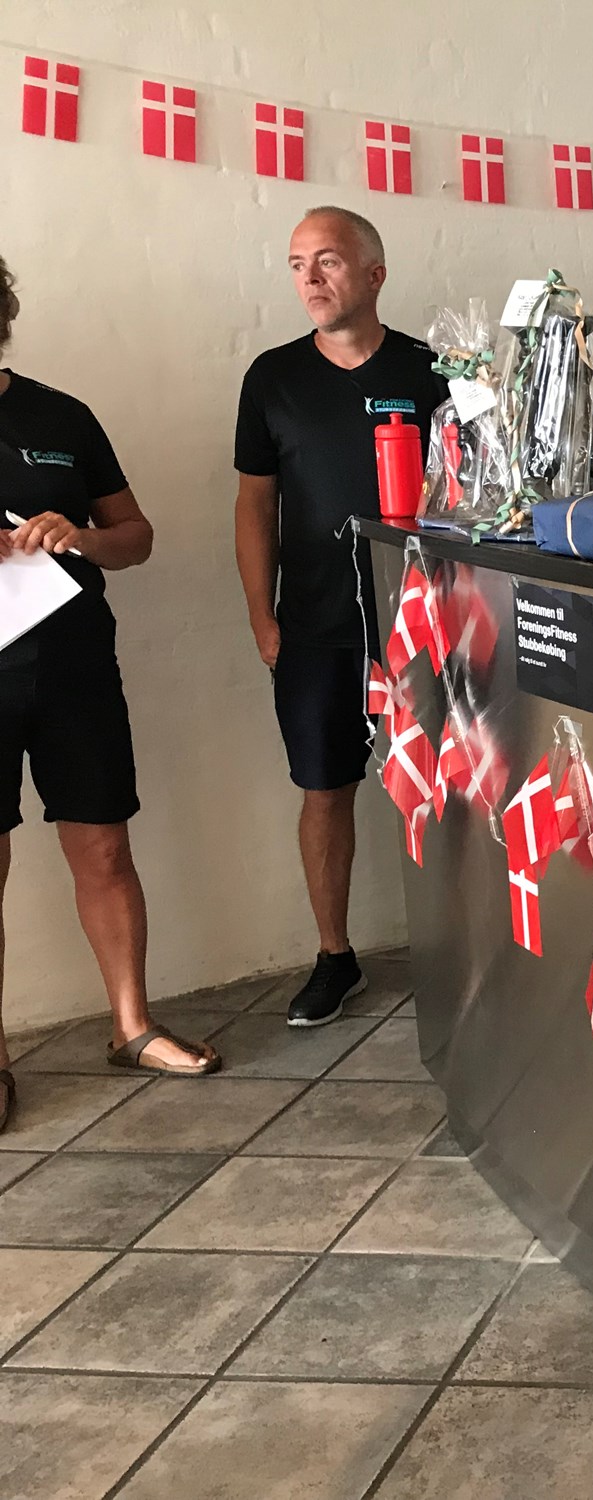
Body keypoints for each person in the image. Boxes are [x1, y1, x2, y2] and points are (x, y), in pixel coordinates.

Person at [0, 252, 219, 1130]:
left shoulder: (62, 414)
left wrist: (81, 537)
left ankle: (131, 1027)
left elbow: (137, 535)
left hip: (75, 667)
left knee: (102, 850)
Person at [234, 207, 443, 1028]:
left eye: (326, 260)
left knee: (451, 785)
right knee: (325, 789)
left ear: (374, 273)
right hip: (316, 627)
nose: (310, 279)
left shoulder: (433, 370)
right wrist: (262, 616)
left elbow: (477, 494)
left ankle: (466, 944)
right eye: (296, 264)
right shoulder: (272, 378)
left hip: (425, 621)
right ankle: (335, 957)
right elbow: (255, 507)